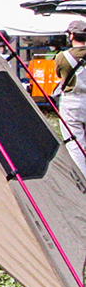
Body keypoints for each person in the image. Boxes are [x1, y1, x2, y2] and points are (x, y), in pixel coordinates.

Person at [56, 20, 86, 177]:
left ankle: (82, 180)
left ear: (72, 35)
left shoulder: (63, 57)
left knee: (75, 144)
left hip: (72, 102)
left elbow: (59, 75)